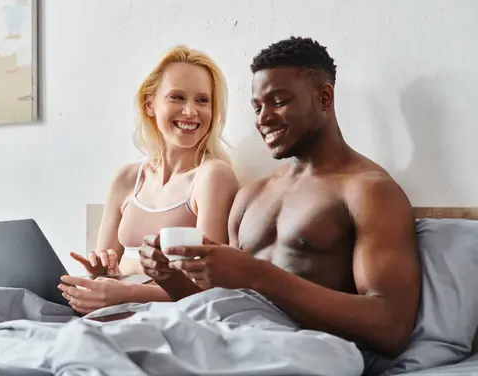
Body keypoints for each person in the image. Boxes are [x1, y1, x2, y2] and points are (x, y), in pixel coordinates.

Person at [139, 37, 422, 358]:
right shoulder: (251, 196)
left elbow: (391, 327)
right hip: (227, 340)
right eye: (257, 107)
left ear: (324, 97)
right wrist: (167, 276)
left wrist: (257, 274)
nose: (263, 118)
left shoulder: (368, 191)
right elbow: (219, 303)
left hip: (304, 350)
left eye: (279, 101)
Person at [58, 45, 240, 314]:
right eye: (177, 97)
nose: (190, 111)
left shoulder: (213, 176)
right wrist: (102, 273)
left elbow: (208, 288)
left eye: (202, 100)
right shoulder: (126, 179)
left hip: (167, 316)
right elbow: (109, 269)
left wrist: (127, 293)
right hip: (116, 311)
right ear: (150, 104)